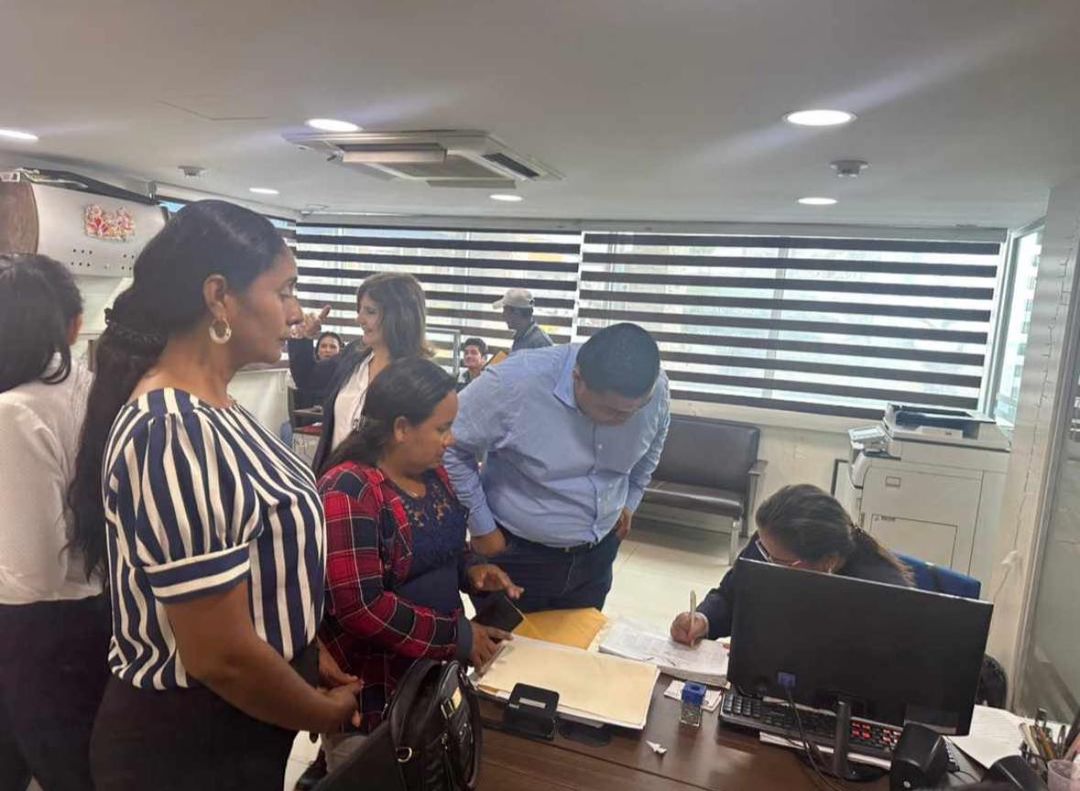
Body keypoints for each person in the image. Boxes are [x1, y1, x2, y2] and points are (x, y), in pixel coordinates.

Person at [67, 201, 360, 790]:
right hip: (190, 743)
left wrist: (301, 651)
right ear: (219, 296)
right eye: (284, 291)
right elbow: (218, 654)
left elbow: (254, 575)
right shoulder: (172, 428)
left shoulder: (217, 408)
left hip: (233, 722)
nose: (296, 312)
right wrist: (319, 711)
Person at [317, 357, 520, 769]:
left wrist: (470, 570)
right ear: (401, 428)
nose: (450, 440)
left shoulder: (432, 475)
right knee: (378, 772)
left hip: (430, 672)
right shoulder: (350, 490)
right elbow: (361, 607)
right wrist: (456, 634)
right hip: (375, 685)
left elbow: (444, 547)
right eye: (442, 429)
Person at [445, 322, 670, 611]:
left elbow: (654, 443)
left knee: (577, 638)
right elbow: (449, 445)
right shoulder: (513, 383)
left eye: (636, 410)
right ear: (577, 378)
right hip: (517, 554)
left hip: (598, 553)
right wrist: (481, 526)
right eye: (611, 411)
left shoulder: (656, 387)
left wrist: (631, 499)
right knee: (508, 641)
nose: (624, 421)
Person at [0, 254, 110, 791]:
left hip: (37, 629)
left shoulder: (16, 411)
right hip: (94, 614)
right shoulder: (95, 391)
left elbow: (35, 574)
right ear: (72, 325)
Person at [669, 484, 914, 645]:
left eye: (778, 562)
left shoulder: (880, 596)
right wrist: (703, 619)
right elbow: (730, 596)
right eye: (763, 550)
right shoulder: (770, 542)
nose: (764, 563)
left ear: (827, 563)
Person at [288, 273, 429, 475]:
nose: (359, 319)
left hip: (379, 487)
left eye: (370, 311)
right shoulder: (354, 354)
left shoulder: (418, 378)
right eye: (360, 310)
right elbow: (308, 378)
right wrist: (304, 337)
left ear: (400, 317)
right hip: (331, 480)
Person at [494, 288, 552, 352]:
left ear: (517, 313)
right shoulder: (521, 335)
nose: (503, 315)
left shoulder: (541, 343)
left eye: (505, 311)